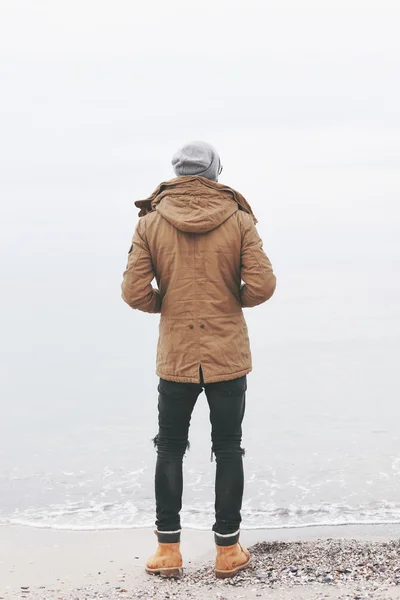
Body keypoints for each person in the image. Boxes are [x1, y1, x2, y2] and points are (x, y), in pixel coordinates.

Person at [121, 141, 276, 579]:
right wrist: (231, 301)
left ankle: (167, 551)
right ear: (214, 171)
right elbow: (262, 286)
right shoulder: (239, 218)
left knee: (169, 445)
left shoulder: (151, 222)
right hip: (228, 352)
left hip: (176, 354)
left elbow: (133, 292)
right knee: (228, 447)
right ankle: (227, 551)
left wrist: (166, 305)